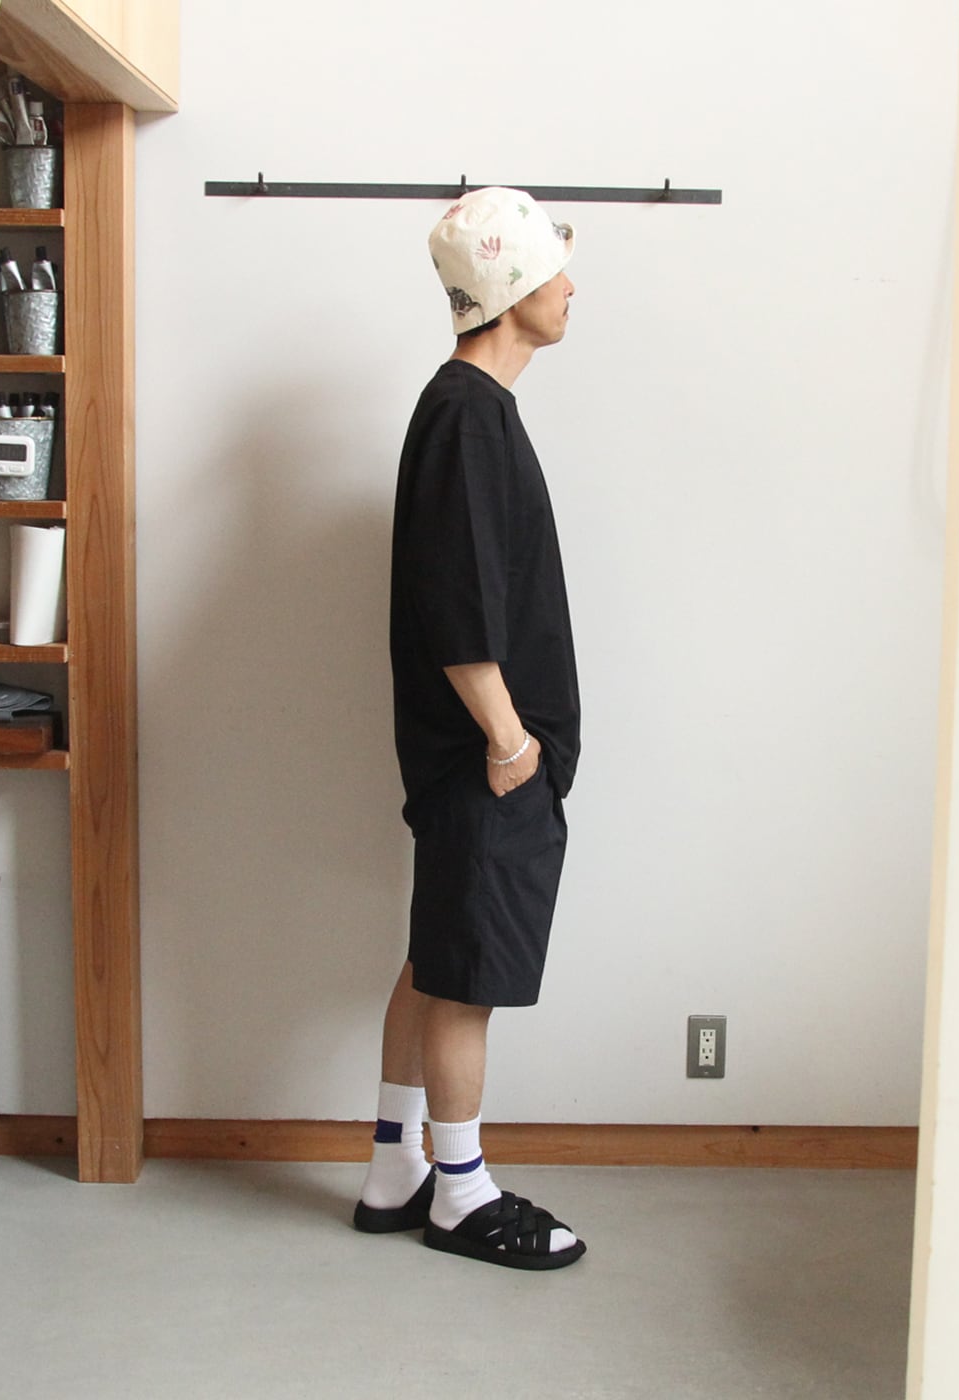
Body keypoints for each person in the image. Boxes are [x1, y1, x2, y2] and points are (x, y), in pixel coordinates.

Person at [353, 187, 585, 1270]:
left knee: (438, 954)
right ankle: (459, 1191)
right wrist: (509, 743)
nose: (571, 288)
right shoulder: (464, 415)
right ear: (511, 286)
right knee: (464, 978)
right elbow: (457, 605)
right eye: (554, 269)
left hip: (481, 760)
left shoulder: (473, 409)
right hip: (484, 761)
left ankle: (393, 1168)